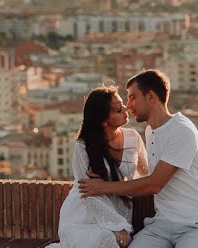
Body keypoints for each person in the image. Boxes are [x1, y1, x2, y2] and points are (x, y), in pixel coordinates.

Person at [79, 70, 198, 248]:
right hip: (160, 226)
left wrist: (103, 187)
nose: (128, 106)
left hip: (195, 224)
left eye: (132, 97)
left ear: (151, 97)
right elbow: (143, 176)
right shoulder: (150, 131)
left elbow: (154, 184)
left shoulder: (182, 130)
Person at [48, 86, 149, 248]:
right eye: (118, 110)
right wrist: (116, 226)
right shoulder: (83, 147)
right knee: (106, 239)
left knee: (113, 240)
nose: (126, 109)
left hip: (120, 212)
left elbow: (145, 175)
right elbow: (89, 193)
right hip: (84, 216)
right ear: (104, 120)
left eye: (123, 104)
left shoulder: (133, 138)